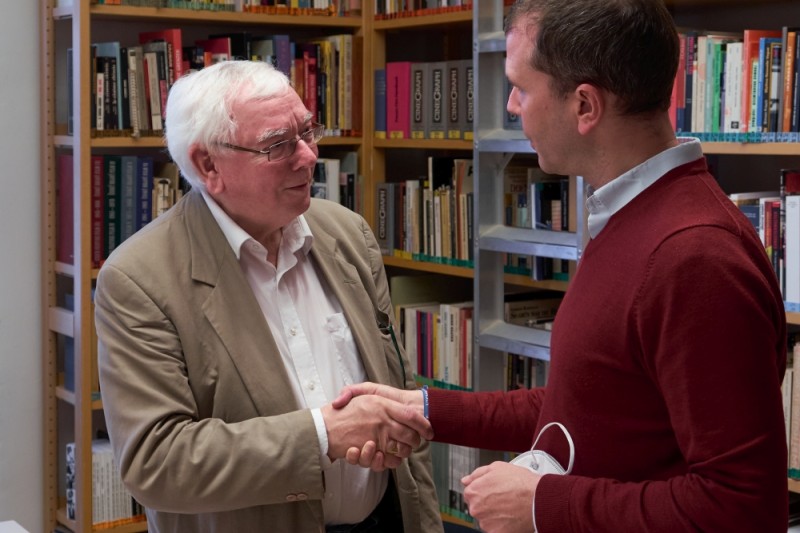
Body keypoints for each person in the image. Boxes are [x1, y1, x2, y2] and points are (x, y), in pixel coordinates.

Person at [334, 0, 789, 531]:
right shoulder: (631, 216)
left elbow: (742, 508)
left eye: (522, 88)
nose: (510, 105)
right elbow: (594, 404)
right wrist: (426, 409)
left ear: (585, 105)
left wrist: (541, 504)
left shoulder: (694, 257)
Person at [94, 60, 441, 533]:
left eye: (307, 131)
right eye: (278, 145)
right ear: (207, 164)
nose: (308, 156)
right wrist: (324, 435)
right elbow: (157, 461)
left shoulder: (346, 234)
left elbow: (396, 388)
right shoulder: (140, 278)